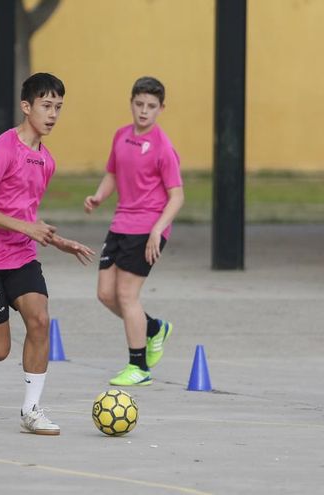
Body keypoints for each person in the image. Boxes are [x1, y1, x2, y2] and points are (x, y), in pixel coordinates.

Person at [0, 73, 95, 435]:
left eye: (58, 107)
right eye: (46, 105)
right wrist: (27, 228)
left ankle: (32, 409)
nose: (53, 114)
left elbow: (22, 212)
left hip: (21, 256)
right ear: (26, 107)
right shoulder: (3, 150)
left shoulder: (47, 161)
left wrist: (54, 239)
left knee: (40, 320)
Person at [83, 76, 184, 386]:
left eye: (151, 106)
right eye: (139, 104)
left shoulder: (163, 148)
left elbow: (177, 196)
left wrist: (157, 230)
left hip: (147, 228)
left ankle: (138, 367)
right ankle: (153, 328)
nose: (144, 111)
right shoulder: (120, 136)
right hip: (120, 224)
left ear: (161, 109)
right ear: (131, 103)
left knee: (127, 296)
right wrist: (100, 196)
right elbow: (112, 173)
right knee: (105, 294)